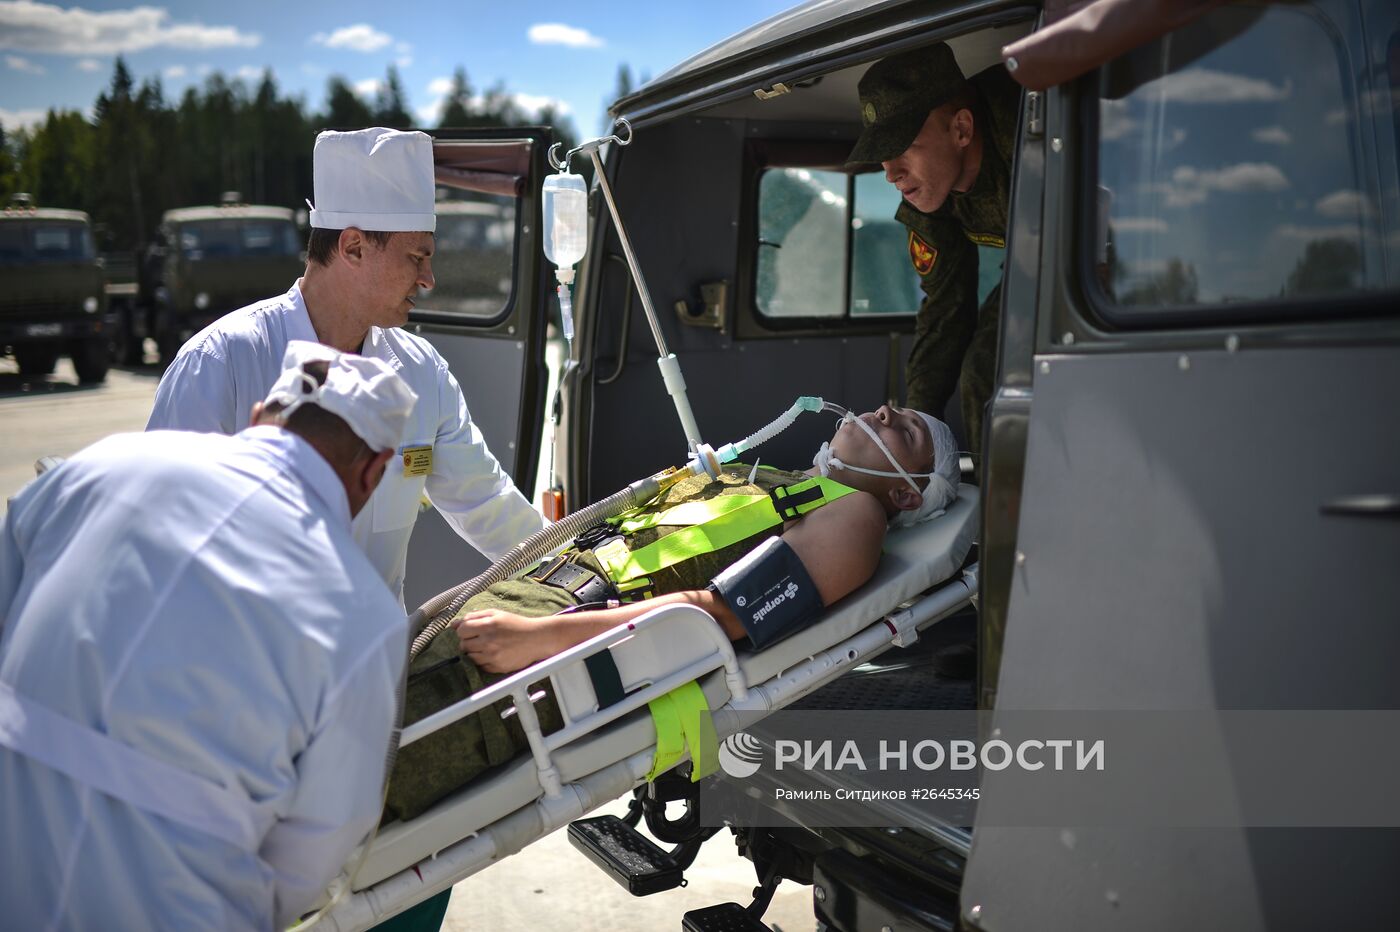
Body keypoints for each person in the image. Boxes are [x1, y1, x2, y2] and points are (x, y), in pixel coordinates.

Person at [0, 342, 417, 929]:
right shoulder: (366, 616)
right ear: (374, 472)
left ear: (257, 416)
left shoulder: (106, 464)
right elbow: (326, 834)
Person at [388, 403, 961, 821]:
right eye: (895, 410)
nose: (884, 412)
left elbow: (718, 617)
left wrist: (539, 638)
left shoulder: (858, 516)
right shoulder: (788, 485)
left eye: (905, 429)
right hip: (530, 595)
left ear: (908, 494)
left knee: (353, 771)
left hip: (549, 643)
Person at [147, 126, 545, 603]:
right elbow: (164, 541)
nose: (429, 278)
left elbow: (490, 505)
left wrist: (581, 566)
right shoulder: (221, 362)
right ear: (353, 247)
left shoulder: (422, 372)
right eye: (417, 256)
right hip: (248, 670)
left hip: (373, 668)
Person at [847, 43, 1021, 458]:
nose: (890, 173)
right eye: (882, 156)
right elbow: (946, 306)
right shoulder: (928, 194)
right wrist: (916, 428)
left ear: (961, 129)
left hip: (1114, 259)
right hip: (1037, 268)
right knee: (982, 369)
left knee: (988, 367)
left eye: (903, 146)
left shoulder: (1030, 128)